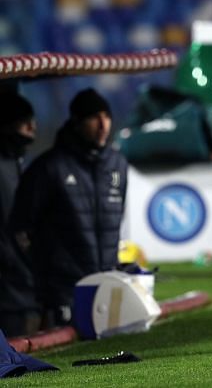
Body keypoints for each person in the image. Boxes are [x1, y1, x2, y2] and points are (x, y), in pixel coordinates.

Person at [10, 88, 127, 327]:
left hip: (106, 289)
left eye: (106, 116)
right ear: (76, 122)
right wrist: (44, 276)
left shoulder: (118, 165)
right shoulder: (48, 168)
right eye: (94, 118)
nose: (103, 125)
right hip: (61, 294)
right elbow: (20, 228)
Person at [0, 93, 39, 337]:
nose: (32, 127)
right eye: (24, 121)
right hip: (9, 288)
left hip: (22, 283)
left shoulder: (18, 161)